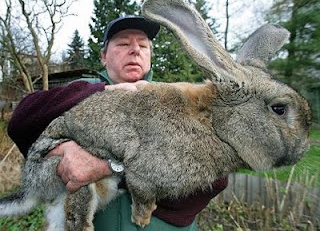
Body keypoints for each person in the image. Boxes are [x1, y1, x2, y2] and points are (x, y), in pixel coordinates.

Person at [8, 15, 228, 230]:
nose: (135, 50)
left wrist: (108, 168)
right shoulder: (80, 91)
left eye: (143, 46)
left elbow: (214, 177)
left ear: (151, 55)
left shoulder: (177, 98)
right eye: (123, 43)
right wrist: (105, 91)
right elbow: (22, 121)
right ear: (104, 56)